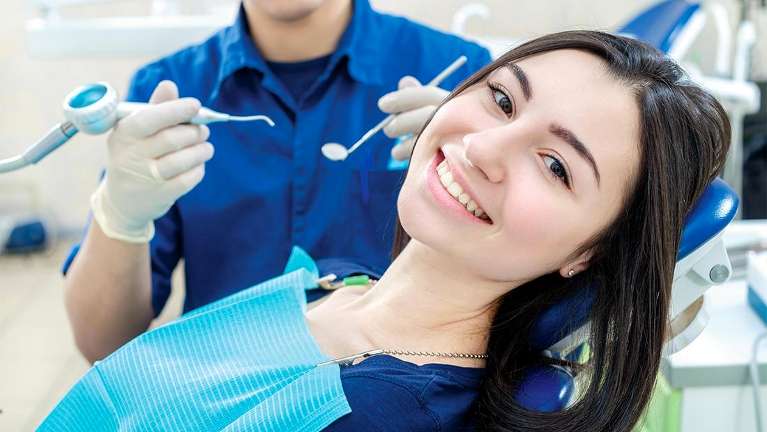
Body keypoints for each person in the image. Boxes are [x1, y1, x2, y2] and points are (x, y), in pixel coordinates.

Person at [44, 31, 730, 431]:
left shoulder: (370, 410)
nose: (484, 149)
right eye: (499, 98)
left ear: (593, 251)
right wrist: (121, 214)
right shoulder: (340, 285)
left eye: (554, 166)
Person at [61, 0, 492, 363]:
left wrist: (478, 183)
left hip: (402, 400)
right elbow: (103, 342)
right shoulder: (169, 90)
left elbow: (515, 306)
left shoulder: (459, 74)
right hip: (224, 407)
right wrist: (120, 214)